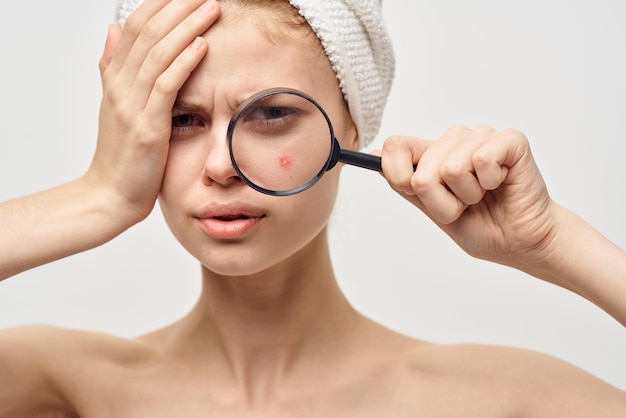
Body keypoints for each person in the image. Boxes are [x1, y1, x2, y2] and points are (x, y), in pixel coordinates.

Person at [0, 0, 625, 416]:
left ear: (350, 126)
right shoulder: (65, 386)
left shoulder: (493, 399)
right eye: (181, 118)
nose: (219, 164)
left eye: (272, 113)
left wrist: (552, 242)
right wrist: (95, 198)